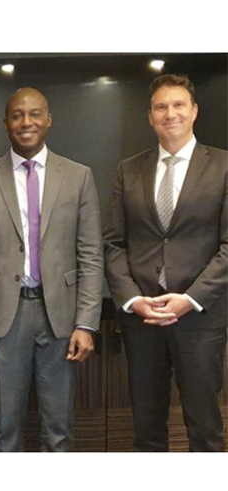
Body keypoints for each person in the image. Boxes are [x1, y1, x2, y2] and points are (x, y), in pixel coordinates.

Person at [0, 87, 103, 451]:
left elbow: (90, 254)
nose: (26, 122)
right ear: (5, 124)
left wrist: (86, 323)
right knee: (4, 427)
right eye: (17, 115)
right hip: (4, 318)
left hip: (62, 316)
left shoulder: (79, 176)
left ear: (48, 119)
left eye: (35, 114)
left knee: (59, 427)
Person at [103, 74, 228, 452]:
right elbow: (112, 243)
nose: (169, 113)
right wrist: (132, 299)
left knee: (204, 427)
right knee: (146, 429)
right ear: (150, 116)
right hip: (143, 317)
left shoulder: (223, 166)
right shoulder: (129, 169)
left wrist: (189, 298)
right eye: (161, 107)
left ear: (193, 111)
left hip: (200, 318)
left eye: (177, 105)